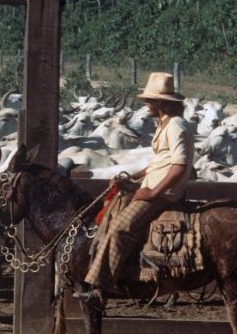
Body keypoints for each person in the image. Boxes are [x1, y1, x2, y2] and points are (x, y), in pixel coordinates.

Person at [73, 72, 194, 310]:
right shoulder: (166, 123)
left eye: (149, 100)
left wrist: (152, 193)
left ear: (161, 102)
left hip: (163, 193)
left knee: (119, 228)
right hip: (153, 184)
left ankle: (100, 288)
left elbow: (179, 167)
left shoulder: (176, 125)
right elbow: (162, 162)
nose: (146, 104)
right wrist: (136, 177)